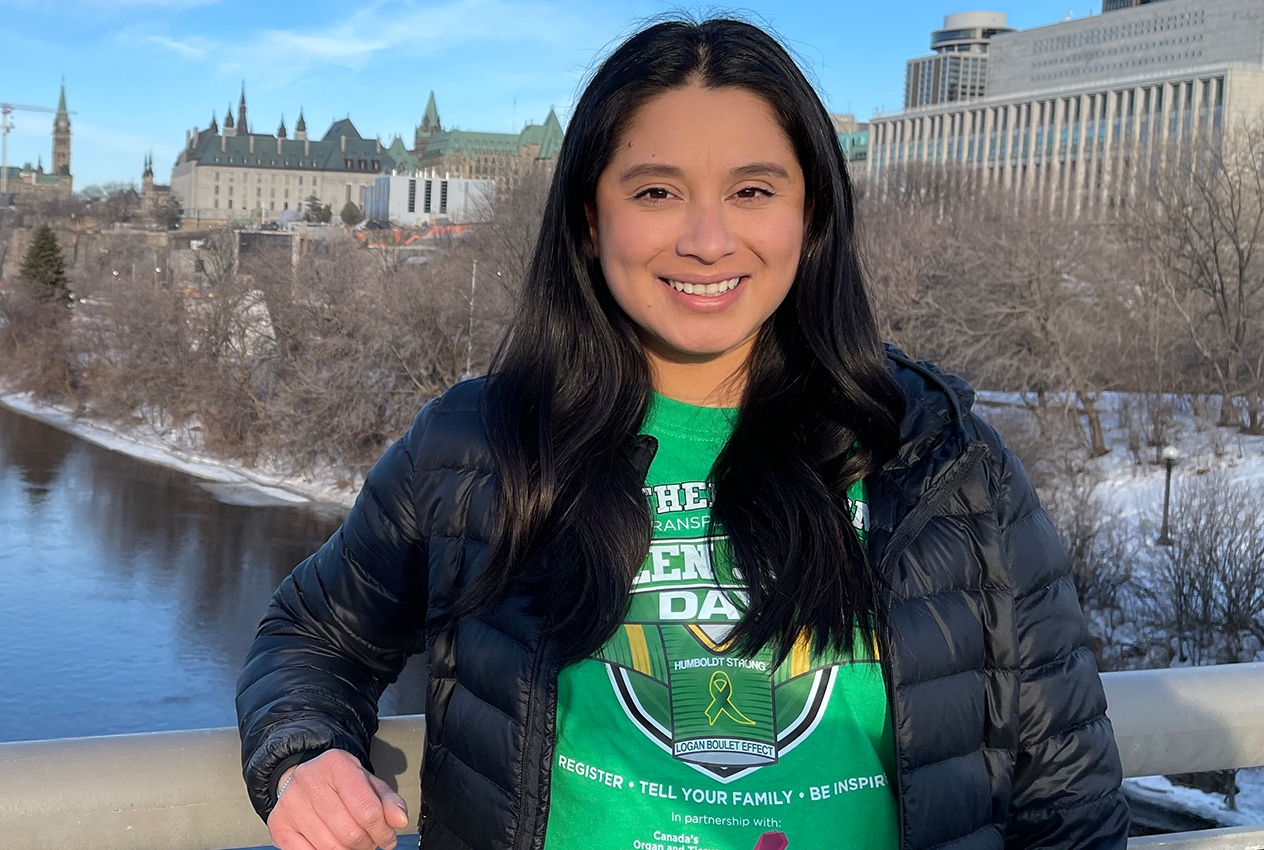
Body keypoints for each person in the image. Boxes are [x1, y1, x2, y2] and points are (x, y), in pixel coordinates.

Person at [234, 17, 1128, 850]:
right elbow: (313, 635)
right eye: (657, 190)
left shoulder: (941, 461)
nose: (708, 239)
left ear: (811, 214)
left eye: (752, 190)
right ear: (591, 219)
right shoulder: (477, 446)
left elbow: (1067, 798)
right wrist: (303, 754)